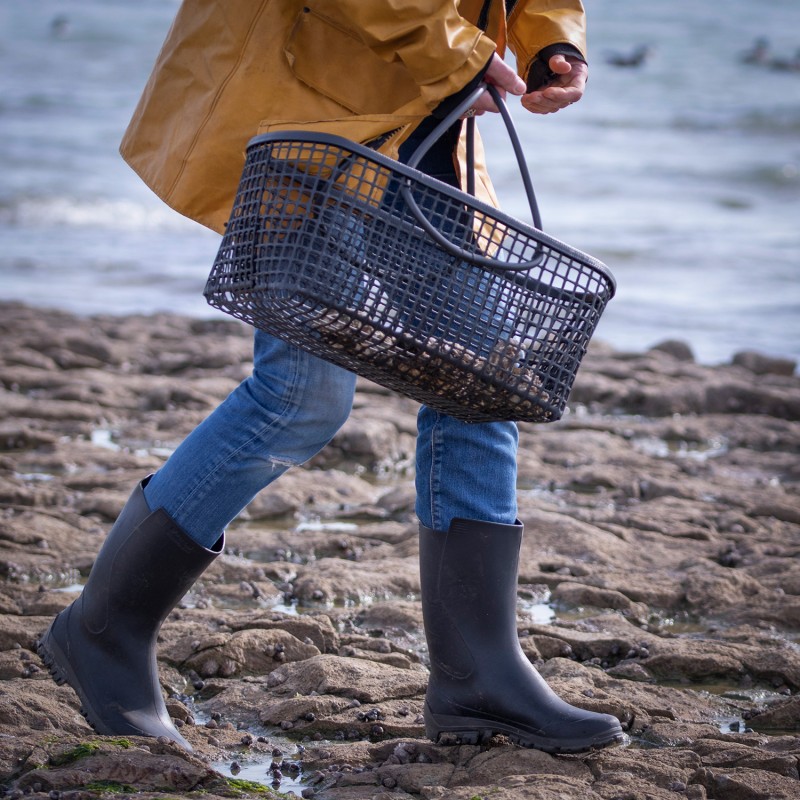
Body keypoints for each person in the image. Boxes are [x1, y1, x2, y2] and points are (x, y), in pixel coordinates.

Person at [38, 0, 625, 755]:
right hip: (315, 108)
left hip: (435, 125)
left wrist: (552, 42)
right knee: (300, 398)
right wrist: (460, 54)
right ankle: (102, 630)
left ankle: (478, 676)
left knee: (482, 389)